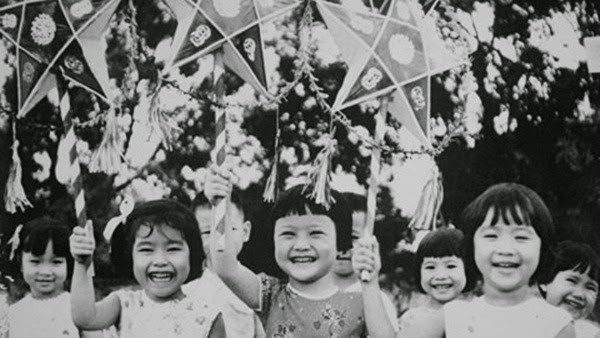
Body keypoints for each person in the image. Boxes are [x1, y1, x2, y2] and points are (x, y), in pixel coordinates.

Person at [204, 166, 396, 337]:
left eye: (315, 233)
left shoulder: (362, 302)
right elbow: (225, 267)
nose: (301, 245)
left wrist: (370, 283)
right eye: (288, 234)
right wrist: (220, 206)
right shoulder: (270, 295)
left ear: (340, 241)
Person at [398, 183, 575, 338]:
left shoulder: (556, 323)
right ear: (471, 247)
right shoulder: (452, 316)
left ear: (543, 248)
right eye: (491, 235)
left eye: (521, 237)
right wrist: (370, 282)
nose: (505, 249)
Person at [69, 199, 225, 337]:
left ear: (192, 254)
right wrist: (82, 264)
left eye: (173, 249)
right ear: (131, 256)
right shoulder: (124, 304)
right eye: (146, 250)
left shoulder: (207, 316)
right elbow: (85, 318)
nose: (160, 261)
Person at [183, 192, 265, 337]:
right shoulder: (187, 293)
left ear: (245, 231)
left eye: (229, 228)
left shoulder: (257, 288)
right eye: (208, 232)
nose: (220, 239)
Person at [331, 192, 399, 330]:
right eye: (335, 236)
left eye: (352, 237)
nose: (343, 246)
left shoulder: (378, 302)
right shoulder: (304, 294)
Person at [6, 217, 81, 337]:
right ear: (21, 262)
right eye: (35, 261)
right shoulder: (12, 315)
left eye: (56, 262)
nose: (45, 272)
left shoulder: (79, 310)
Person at [398, 227, 470, 331]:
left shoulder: (479, 315)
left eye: (450, 266)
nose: (440, 276)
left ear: (467, 269)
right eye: (430, 267)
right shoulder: (411, 320)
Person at [541, 240, 600, 337]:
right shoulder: (524, 321)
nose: (580, 294)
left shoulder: (592, 334)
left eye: (591, 287)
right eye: (572, 281)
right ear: (545, 281)